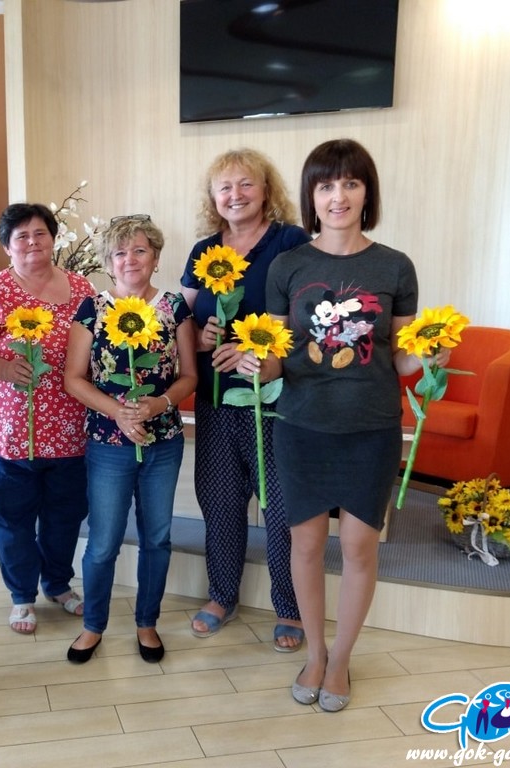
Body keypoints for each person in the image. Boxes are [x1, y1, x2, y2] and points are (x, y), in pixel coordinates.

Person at [254, 138, 440, 711]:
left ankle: (341, 660)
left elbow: (401, 359)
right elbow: (277, 358)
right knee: (306, 545)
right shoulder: (287, 266)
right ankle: (315, 653)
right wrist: (254, 361)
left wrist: (431, 354)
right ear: (312, 197)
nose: (339, 196)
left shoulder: (395, 266)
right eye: (326, 185)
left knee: (359, 548)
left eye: (351, 183)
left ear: (367, 193)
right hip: (301, 426)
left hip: (371, 426)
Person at [179, 148, 310, 650]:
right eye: (225, 187)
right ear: (213, 198)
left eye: (246, 184)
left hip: (273, 402)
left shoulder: (290, 241)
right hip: (215, 400)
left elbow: (307, 316)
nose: (235, 195)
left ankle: (290, 607)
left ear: (266, 189)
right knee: (220, 501)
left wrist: (258, 348)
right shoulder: (203, 252)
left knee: (280, 507)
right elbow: (180, 322)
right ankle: (221, 596)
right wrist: (199, 337)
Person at [64, 215, 197, 663]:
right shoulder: (92, 309)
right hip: (108, 444)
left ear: (155, 257)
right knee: (103, 542)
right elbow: (73, 378)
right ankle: (93, 625)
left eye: (140, 250)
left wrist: (160, 403)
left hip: (164, 441)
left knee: (157, 537)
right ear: (108, 263)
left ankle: (146, 622)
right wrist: (117, 411)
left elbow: (189, 375)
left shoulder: (174, 307)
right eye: (120, 252)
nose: (130, 259)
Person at [0, 204, 93, 634]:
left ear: (53, 239)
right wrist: (1, 368)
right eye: (21, 236)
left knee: (65, 516)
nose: (32, 242)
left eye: (40, 233)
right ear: (7, 246)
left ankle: (57, 584)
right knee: (14, 518)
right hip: (7, 434)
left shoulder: (82, 289)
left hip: (69, 431)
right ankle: (21, 595)